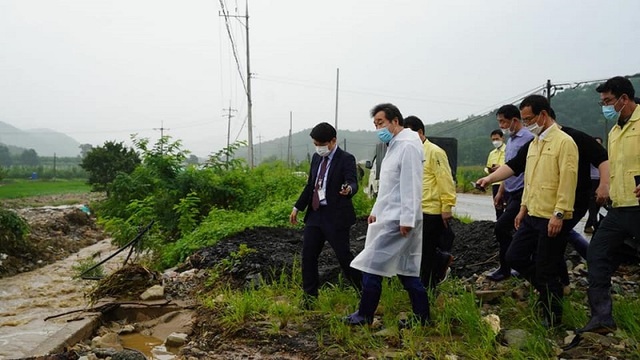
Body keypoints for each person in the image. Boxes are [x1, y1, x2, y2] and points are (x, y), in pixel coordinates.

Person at [346, 103, 429, 326]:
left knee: (371, 264)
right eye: (375, 125)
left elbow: (411, 184)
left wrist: (407, 219)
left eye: (381, 123)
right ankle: (422, 317)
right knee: (406, 269)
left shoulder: (408, 145)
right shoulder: (394, 145)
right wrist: (376, 210)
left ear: (395, 121)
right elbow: (388, 186)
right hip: (392, 215)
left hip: (400, 219)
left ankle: (364, 314)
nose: (378, 128)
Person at [507, 95, 579, 327]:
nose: (527, 124)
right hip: (531, 213)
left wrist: (559, 214)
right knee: (514, 256)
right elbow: (531, 180)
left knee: (547, 266)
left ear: (543, 115)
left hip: (551, 216)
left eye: (529, 119)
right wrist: (522, 209)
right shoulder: (535, 143)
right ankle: (549, 289)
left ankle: (553, 317)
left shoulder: (564, 142)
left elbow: (568, 181)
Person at [579, 76, 640, 334]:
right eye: (602, 101)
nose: (605, 106)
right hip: (619, 209)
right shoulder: (614, 131)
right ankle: (602, 318)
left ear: (624, 98)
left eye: (608, 101)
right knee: (597, 254)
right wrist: (606, 187)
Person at [290, 122, 361, 308]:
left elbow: (352, 182)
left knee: (344, 257)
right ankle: (309, 298)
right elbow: (310, 185)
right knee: (308, 256)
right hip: (315, 214)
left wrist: (348, 189)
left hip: (335, 216)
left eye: (321, 144)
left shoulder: (346, 159)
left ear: (333, 141)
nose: (318, 148)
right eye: (315, 144)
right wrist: (297, 207)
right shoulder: (316, 158)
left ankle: (364, 291)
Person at [403, 116, 456, 290]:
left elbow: (445, 179)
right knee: (419, 251)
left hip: (431, 210)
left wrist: (447, 206)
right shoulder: (411, 151)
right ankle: (430, 276)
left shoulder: (435, 152)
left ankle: (428, 286)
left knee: (426, 251)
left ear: (420, 132)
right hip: (416, 210)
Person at [482, 105, 534, 281]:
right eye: (499, 121)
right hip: (511, 192)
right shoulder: (511, 140)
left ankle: (510, 268)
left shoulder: (529, 138)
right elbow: (509, 168)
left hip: (523, 193)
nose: (502, 124)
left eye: (503, 121)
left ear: (515, 120)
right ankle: (514, 266)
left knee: (502, 227)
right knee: (515, 230)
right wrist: (500, 191)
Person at [584, 136, 604, 234]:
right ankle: (595, 224)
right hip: (591, 180)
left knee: (597, 204)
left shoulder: (603, 155)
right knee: (592, 204)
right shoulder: (588, 154)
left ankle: (589, 225)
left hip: (600, 180)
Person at [485, 129, 506, 220]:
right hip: (495, 183)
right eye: (493, 140)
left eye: (497, 139)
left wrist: (500, 167)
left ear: (502, 138)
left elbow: (511, 166)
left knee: (508, 206)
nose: (495, 141)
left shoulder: (508, 150)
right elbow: (487, 166)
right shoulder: (492, 153)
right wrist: (489, 170)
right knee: (498, 206)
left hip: (506, 182)